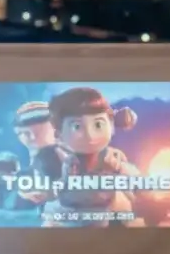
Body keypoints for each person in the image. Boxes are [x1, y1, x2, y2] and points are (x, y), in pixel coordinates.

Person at [39, 87, 139, 225]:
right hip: (72, 213)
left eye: (98, 124)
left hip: (109, 211)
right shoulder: (59, 158)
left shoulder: (114, 156)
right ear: (59, 133)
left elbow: (134, 185)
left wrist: (119, 170)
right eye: (77, 126)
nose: (90, 135)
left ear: (111, 125)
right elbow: (56, 193)